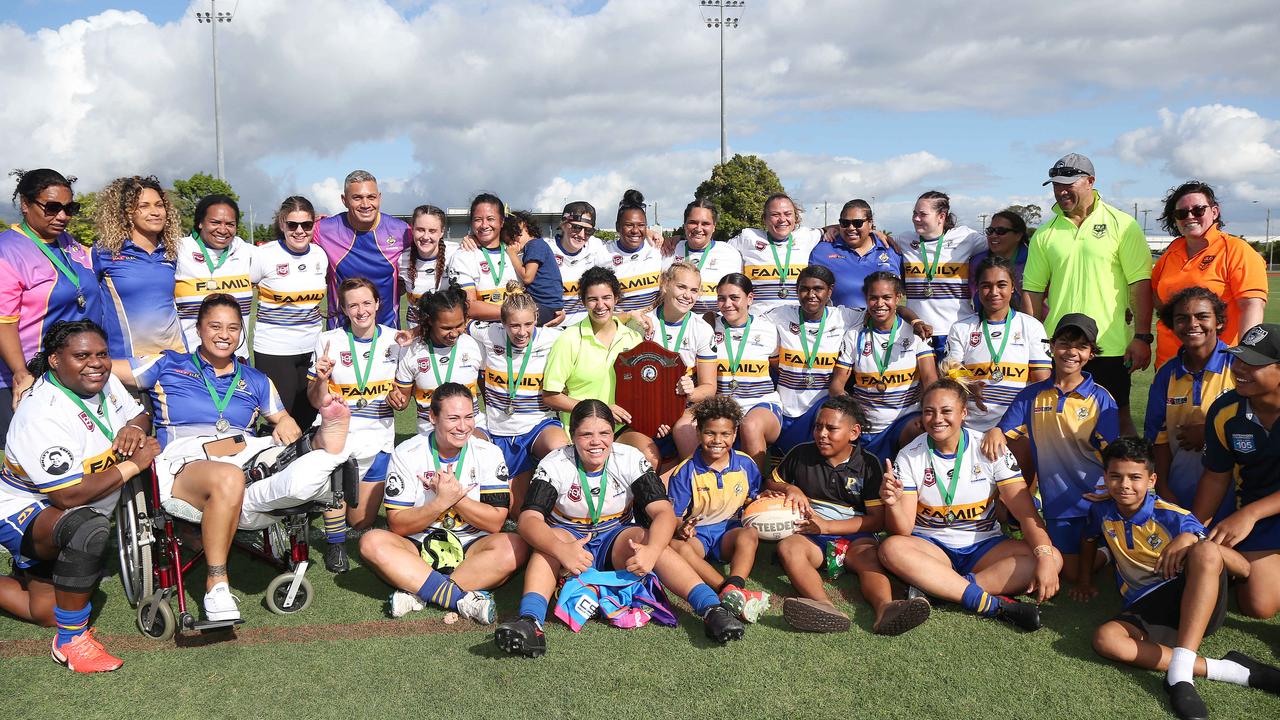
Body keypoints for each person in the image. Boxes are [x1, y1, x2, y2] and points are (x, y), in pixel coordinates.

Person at [115, 294, 353, 623]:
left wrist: (286, 423)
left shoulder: (255, 379)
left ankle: (311, 449)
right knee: (234, 476)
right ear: (198, 328)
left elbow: (283, 419)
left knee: (278, 449)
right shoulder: (168, 363)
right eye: (215, 326)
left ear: (242, 332)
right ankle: (217, 583)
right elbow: (101, 368)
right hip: (185, 458)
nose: (224, 334)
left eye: (233, 327)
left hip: (244, 450)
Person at [493, 400, 745, 658]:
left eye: (604, 433)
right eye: (586, 434)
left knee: (645, 538)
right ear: (572, 436)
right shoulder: (555, 462)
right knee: (549, 542)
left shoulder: (629, 458)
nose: (596, 442)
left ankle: (712, 609)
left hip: (616, 537)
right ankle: (531, 622)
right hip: (570, 538)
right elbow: (529, 520)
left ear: (613, 434)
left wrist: (652, 551)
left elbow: (663, 513)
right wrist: (562, 549)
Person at [1071, 438, 1272, 720]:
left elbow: (1243, 568)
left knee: (1205, 550)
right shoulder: (1101, 511)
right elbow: (1089, 538)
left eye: (1135, 477)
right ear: (1105, 477)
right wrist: (1084, 581)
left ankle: (1179, 677)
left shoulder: (1174, 517)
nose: (1124, 484)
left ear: (1152, 480)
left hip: (1192, 603)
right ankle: (1229, 670)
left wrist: (1192, 538)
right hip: (1144, 606)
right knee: (1106, 640)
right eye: (1115, 476)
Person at [0, 320, 158, 672]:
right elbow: (68, 497)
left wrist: (133, 427)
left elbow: (141, 414)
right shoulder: (42, 413)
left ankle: (43, 579)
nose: (97, 363)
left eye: (102, 354)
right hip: (25, 508)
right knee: (87, 527)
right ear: (55, 360)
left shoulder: (101, 381)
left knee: (44, 613)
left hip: (71, 508)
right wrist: (134, 464)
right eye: (82, 355)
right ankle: (72, 641)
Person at [879, 378, 1059, 631]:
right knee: (892, 548)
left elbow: (1026, 512)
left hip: (984, 547)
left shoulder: (990, 447)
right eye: (929, 411)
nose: (937, 418)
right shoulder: (909, 455)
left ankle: (940, 587)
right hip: (932, 548)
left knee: (1052, 558)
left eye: (946, 411)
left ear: (964, 413)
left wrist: (1045, 555)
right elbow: (903, 530)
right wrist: (894, 503)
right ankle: (990, 604)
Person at [360, 383, 527, 624]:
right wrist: (440, 503)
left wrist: (457, 498)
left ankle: (419, 590)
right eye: (453, 418)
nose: (463, 426)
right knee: (371, 542)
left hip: (473, 545)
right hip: (418, 545)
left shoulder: (488, 453)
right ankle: (459, 597)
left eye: (469, 417)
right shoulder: (407, 453)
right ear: (433, 417)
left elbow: (495, 522)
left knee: (516, 546)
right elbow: (398, 525)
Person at [771, 395, 932, 636]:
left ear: (854, 432)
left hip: (854, 536)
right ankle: (824, 607)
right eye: (818, 426)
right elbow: (771, 482)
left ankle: (885, 609)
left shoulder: (869, 464)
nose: (821, 434)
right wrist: (789, 488)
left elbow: (877, 520)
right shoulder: (800, 454)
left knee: (868, 558)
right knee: (789, 549)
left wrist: (827, 526)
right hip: (811, 537)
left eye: (831, 428)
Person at [1023, 153, 1153, 436]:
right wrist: (1031, 343)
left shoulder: (1122, 224)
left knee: (1117, 421)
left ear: (1090, 182)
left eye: (1068, 183)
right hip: (1058, 347)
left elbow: (1140, 283)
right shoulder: (1045, 233)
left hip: (1110, 345)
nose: (1061, 190)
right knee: (1059, 426)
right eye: (1056, 184)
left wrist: (1142, 336)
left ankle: (1132, 480)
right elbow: (1032, 290)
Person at [984, 313, 1119, 581]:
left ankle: (1109, 552)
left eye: (1081, 346)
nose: (1071, 352)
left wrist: (1110, 488)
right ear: (1052, 346)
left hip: (1096, 501)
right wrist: (995, 430)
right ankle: (1021, 510)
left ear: (1091, 354)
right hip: (1059, 504)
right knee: (1067, 571)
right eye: (1065, 343)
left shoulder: (1101, 398)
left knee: (1082, 568)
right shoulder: (1031, 395)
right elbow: (1005, 433)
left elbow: (1115, 454)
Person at [0, 169, 103, 437]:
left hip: (74, 373)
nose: (62, 216)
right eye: (52, 207)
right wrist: (21, 373)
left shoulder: (70, 244)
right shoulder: (7, 250)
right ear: (25, 204)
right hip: (30, 375)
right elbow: (3, 321)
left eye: (70, 208)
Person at [308, 278, 400, 572]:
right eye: (353, 305)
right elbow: (315, 401)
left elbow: (406, 390)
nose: (361, 311)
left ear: (377, 304)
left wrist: (401, 397)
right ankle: (335, 544)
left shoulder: (396, 339)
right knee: (336, 493)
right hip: (340, 434)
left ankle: (326, 503)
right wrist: (321, 380)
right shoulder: (328, 340)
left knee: (361, 521)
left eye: (366, 303)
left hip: (380, 436)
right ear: (344, 309)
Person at [1195, 323, 1280, 620]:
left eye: (1253, 363)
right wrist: (1195, 530)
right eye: (1238, 358)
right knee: (1258, 606)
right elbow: (1216, 476)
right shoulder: (1225, 411)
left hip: (1254, 513)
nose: (1239, 368)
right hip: (1260, 514)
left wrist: (1250, 514)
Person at [541, 266, 659, 469]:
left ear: (616, 299)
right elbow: (551, 396)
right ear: (583, 302)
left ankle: (635, 503)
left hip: (622, 427)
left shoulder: (633, 338)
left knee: (650, 458)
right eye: (592, 299)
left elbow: (648, 388)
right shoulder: (569, 338)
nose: (600, 305)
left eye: (606, 297)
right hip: (583, 428)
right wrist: (601, 410)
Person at [665, 396, 769, 623]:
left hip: (728, 532)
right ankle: (727, 591)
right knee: (677, 547)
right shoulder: (685, 471)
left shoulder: (745, 464)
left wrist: (765, 501)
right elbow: (673, 518)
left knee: (749, 534)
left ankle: (735, 584)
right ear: (699, 432)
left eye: (725, 434)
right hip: (698, 534)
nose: (717, 440)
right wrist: (682, 528)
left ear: (735, 434)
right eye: (710, 433)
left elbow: (753, 500)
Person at [1151, 181, 1266, 369]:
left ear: (1214, 212)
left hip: (1220, 365)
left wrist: (1245, 356)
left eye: (1198, 210)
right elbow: (1156, 296)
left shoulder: (1236, 250)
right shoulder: (1170, 253)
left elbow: (1252, 306)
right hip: (1170, 365)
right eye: (1182, 213)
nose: (1190, 216)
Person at [1146, 287, 1235, 522]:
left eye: (1202, 316)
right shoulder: (1166, 373)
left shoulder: (1239, 366)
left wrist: (1209, 432)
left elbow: (1259, 424)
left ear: (1219, 322)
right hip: (1180, 493)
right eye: (1182, 318)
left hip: (1235, 496)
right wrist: (1163, 488)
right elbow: (1159, 437)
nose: (1192, 324)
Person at [475, 287, 568, 511]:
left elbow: (591, 330)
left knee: (560, 448)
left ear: (536, 318)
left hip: (537, 427)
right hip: (497, 429)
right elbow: (456, 318)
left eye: (528, 324)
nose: (522, 332)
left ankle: (565, 510)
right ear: (502, 322)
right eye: (514, 325)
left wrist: (629, 316)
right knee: (514, 511)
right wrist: (415, 332)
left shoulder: (556, 338)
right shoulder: (489, 333)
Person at [828, 272, 935, 462]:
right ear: (866, 299)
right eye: (873, 298)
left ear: (898, 298)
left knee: (920, 428)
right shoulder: (854, 335)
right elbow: (837, 385)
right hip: (866, 423)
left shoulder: (916, 333)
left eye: (886, 297)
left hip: (903, 420)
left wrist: (930, 414)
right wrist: (853, 413)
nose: (880, 304)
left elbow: (930, 381)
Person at [944, 255, 1051, 433]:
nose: (994, 292)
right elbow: (950, 372)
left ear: (1013, 288)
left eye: (1001, 285)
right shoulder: (961, 328)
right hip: (970, 427)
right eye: (986, 286)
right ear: (977, 289)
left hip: (1017, 428)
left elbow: (1043, 384)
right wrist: (968, 384)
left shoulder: (1032, 326)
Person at [766, 265, 864, 455]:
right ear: (797, 290)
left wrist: (915, 321)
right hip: (786, 409)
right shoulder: (780, 315)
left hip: (822, 408)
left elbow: (888, 310)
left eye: (818, 289)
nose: (811, 294)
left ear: (830, 291)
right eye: (804, 288)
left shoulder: (844, 316)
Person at [251, 196, 327, 431]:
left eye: (306, 225)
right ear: (282, 224)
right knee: (279, 420)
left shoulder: (319, 255)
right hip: (274, 350)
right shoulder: (264, 255)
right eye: (292, 225)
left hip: (311, 349)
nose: (299, 231)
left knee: (308, 417)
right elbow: (243, 292)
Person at [91, 174, 186, 360]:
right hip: (127, 363)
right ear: (126, 212)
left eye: (159, 205)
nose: (156, 212)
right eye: (143, 206)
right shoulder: (104, 254)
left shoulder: (172, 253)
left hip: (176, 358)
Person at [634, 260, 718, 460]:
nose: (687, 295)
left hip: (685, 408)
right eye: (681, 287)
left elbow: (708, 388)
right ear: (665, 284)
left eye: (693, 290)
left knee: (685, 430)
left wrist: (689, 393)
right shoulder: (642, 322)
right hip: (645, 406)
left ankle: (693, 483)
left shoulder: (702, 328)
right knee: (648, 458)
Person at [312, 170, 409, 329]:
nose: (365, 204)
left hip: (387, 335)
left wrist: (465, 242)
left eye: (371, 197)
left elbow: (430, 250)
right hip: (340, 335)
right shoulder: (323, 229)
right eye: (357, 198)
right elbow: (292, 237)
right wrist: (308, 222)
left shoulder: (402, 231)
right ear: (344, 200)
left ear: (379, 197)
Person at [709, 273, 782, 477]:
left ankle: (755, 489)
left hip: (761, 403)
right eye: (721, 298)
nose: (727, 304)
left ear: (750, 299)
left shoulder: (768, 329)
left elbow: (777, 367)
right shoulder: (709, 326)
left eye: (734, 297)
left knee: (750, 425)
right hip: (723, 405)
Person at [389, 283, 484, 436]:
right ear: (430, 321)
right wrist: (397, 400)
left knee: (479, 446)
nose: (454, 333)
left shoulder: (472, 344)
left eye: (459, 325)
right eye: (446, 328)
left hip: (471, 427)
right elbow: (402, 402)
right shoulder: (412, 351)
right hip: (429, 431)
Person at [900, 190, 986, 357]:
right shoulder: (904, 239)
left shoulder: (966, 237)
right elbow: (871, 239)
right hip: (917, 331)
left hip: (957, 330)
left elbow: (1001, 244)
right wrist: (835, 228)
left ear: (941, 216)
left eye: (922, 214)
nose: (916, 218)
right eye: (914, 213)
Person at [173, 194, 251, 351]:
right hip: (190, 358)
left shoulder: (245, 251)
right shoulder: (178, 250)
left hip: (238, 358)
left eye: (230, 224)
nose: (223, 230)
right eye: (215, 222)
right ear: (200, 222)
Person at [729, 193, 821, 313]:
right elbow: (718, 250)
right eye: (775, 215)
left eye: (788, 214)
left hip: (796, 320)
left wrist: (830, 231)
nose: (782, 219)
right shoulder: (748, 237)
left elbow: (836, 229)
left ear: (795, 217)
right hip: (759, 320)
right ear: (764, 218)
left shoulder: (806, 236)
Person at [807, 199, 901, 311]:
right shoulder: (822, 250)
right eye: (845, 223)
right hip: (838, 326)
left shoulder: (891, 249)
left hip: (878, 326)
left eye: (858, 223)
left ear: (870, 223)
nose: (851, 228)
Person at [447, 193, 522, 323]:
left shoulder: (516, 251)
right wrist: (517, 313)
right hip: (482, 334)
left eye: (490, 218)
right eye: (478, 219)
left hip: (519, 330)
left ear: (501, 221)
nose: (484, 225)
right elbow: (468, 306)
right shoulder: (463, 256)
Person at [666, 199, 742, 314]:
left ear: (714, 227)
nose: (698, 228)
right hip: (676, 325)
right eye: (693, 222)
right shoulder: (670, 249)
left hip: (717, 327)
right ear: (685, 225)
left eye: (705, 223)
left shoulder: (729, 253)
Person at [545, 201, 610, 325]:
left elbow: (622, 248)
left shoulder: (595, 246)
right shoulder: (545, 248)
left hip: (585, 329)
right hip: (552, 328)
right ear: (563, 224)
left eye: (588, 231)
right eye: (576, 227)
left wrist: (650, 233)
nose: (581, 235)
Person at [499, 210, 563, 326]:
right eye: (509, 242)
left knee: (513, 319)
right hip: (548, 306)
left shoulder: (535, 245)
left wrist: (512, 254)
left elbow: (527, 277)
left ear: (525, 228)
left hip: (545, 306)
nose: (514, 243)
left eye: (514, 237)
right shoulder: (536, 245)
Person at [606, 189, 663, 312]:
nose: (635, 230)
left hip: (654, 326)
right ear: (617, 226)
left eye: (641, 225)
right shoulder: (602, 253)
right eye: (629, 225)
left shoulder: (656, 249)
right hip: (619, 327)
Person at [967, 209, 1032, 314]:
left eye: (1000, 231)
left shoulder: (1033, 261)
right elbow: (974, 297)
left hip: (1031, 324)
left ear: (1018, 235)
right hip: (988, 324)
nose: (993, 235)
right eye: (990, 231)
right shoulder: (977, 263)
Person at [400, 204, 450, 329]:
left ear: (442, 232)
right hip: (415, 339)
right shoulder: (401, 259)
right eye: (420, 229)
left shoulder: (456, 254)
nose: (425, 236)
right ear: (412, 229)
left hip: (447, 338)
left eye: (432, 231)